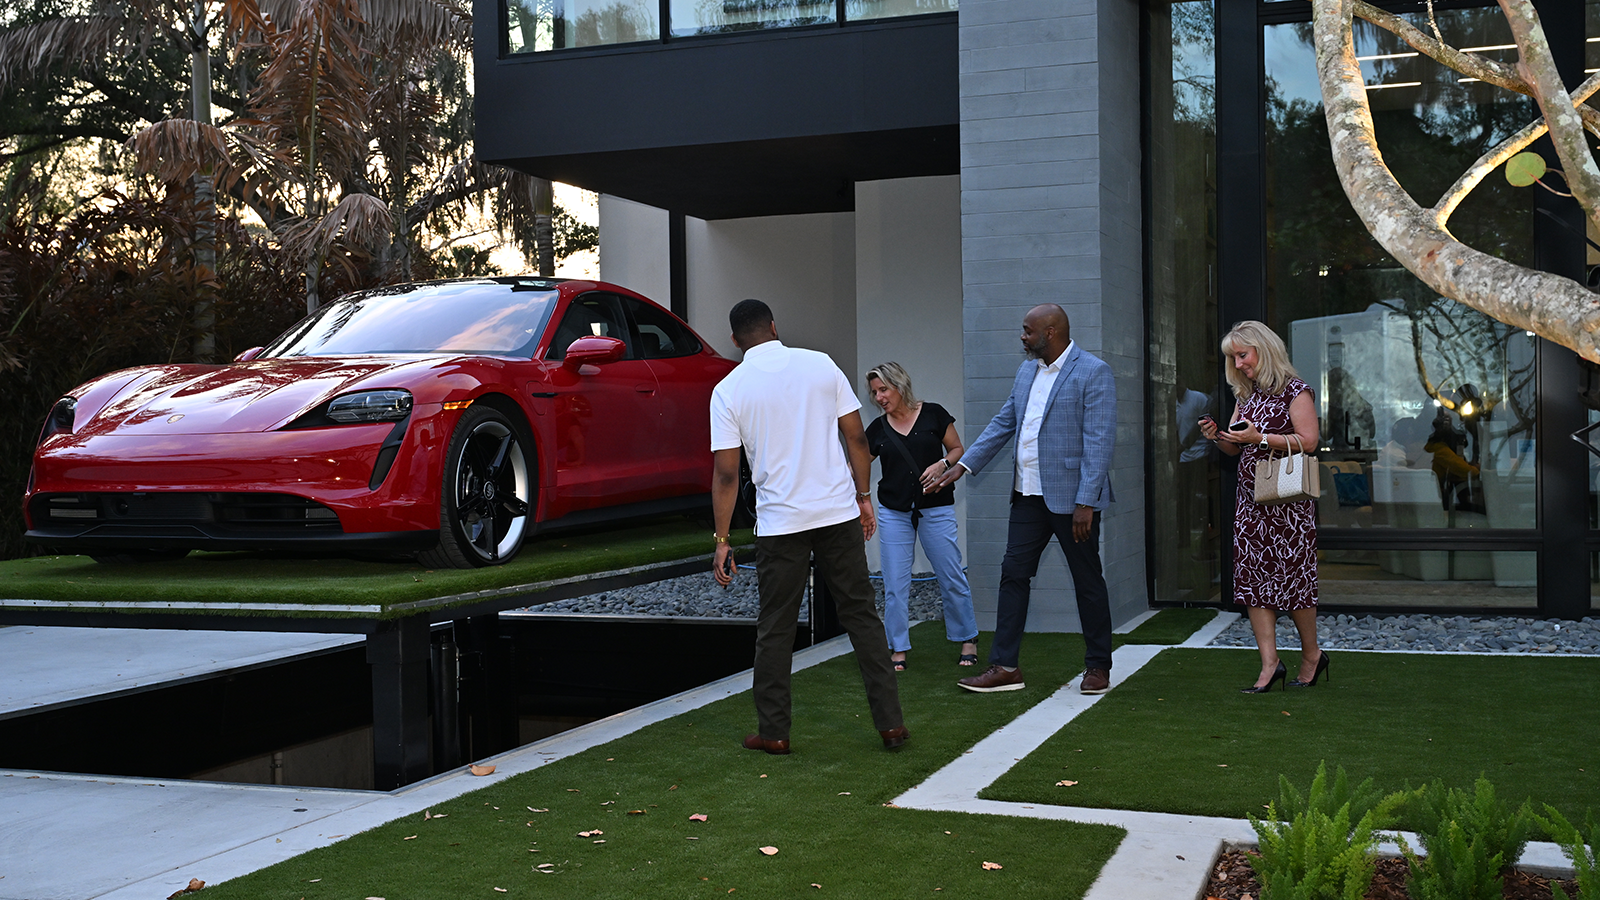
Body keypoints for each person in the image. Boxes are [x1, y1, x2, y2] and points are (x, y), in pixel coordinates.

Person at [709, 299, 907, 755]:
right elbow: (856, 438)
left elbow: (725, 475)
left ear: (735, 340)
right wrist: (863, 497)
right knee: (862, 617)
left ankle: (775, 732)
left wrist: (722, 541)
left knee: (775, 628)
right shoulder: (821, 365)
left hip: (780, 524)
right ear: (775, 326)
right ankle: (891, 726)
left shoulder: (729, 389)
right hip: (837, 513)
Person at [931, 303, 1116, 696]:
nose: (1022, 337)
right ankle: (1005, 666)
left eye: (1027, 331)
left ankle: (1098, 665)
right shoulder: (1025, 371)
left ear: (1050, 332)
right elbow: (1004, 423)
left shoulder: (1092, 371)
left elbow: (1099, 441)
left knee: (1087, 581)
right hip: (1027, 495)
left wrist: (1086, 502)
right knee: (1013, 574)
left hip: (1072, 501)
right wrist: (961, 467)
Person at [1199, 320, 1327, 693]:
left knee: (1295, 584)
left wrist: (1261, 437)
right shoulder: (1246, 396)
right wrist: (1218, 436)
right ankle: (1269, 665)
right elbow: (1236, 447)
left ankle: (1312, 655)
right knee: (1254, 582)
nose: (1238, 364)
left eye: (1243, 355)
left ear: (1264, 350)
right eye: (1233, 358)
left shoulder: (1296, 391)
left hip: (1288, 503)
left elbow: (1309, 440)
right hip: (1251, 503)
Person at [862, 361, 979, 671]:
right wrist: (859, 497)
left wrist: (942, 464)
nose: (879, 397)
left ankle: (968, 639)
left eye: (883, 389)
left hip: (936, 508)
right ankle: (898, 648)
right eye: (875, 392)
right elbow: (858, 465)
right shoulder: (877, 429)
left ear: (900, 385)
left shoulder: (934, 414)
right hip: (893, 512)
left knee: (950, 574)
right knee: (895, 582)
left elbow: (957, 449)